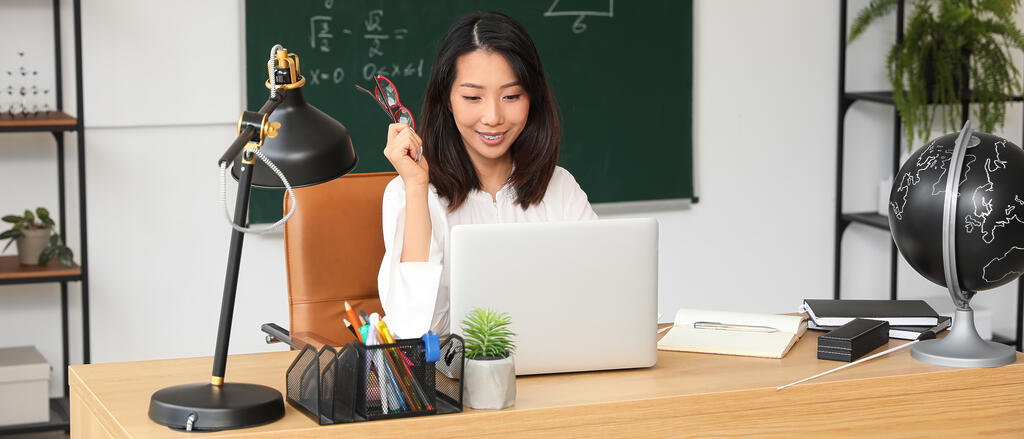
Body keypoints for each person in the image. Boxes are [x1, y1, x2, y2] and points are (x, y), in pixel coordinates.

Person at [378, 11, 598, 338]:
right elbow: (416, 331)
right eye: (472, 97)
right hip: (460, 383)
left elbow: (601, 301)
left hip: (558, 371)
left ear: (532, 99)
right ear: (447, 100)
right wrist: (416, 188)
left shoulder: (559, 187)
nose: (493, 116)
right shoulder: (406, 193)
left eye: (511, 96)